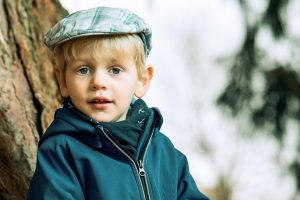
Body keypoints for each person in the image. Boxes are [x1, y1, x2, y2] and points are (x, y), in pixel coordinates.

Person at [27, 6, 209, 200]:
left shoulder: (164, 152)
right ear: (63, 81)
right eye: (83, 70)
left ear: (141, 81)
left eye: (115, 70)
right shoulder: (62, 150)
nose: (98, 82)